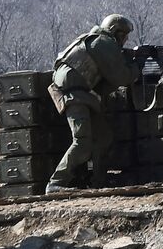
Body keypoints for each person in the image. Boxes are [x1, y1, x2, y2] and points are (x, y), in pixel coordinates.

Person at [46, 15, 140, 192]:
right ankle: (56, 183)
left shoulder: (97, 41)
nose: (125, 40)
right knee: (82, 141)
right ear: (115, 32)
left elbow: (106, 82)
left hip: (82, 94)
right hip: (73, 94)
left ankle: (99, 181)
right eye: (124, 36)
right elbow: (121, 76)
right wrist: (137, 67)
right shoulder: (103, 43)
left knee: (104, 137)